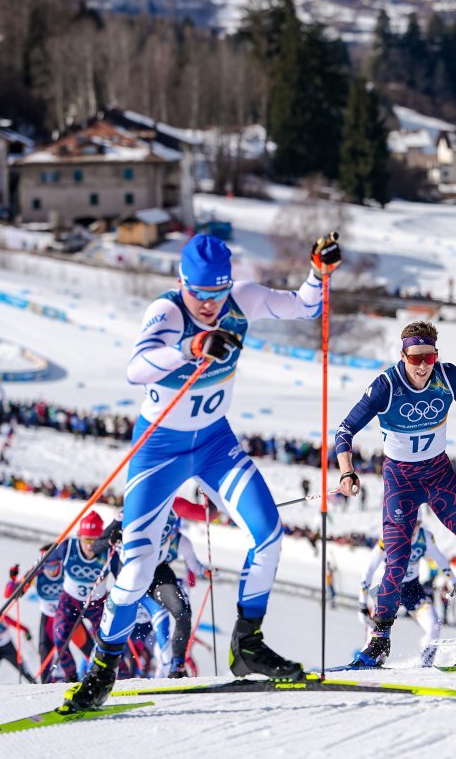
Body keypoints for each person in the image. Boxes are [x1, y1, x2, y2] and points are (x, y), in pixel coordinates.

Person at [62, 232, 340, 713]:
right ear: (182, 283)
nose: (210, 306)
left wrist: (318, 273)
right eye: (200, 295)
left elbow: (305, 307)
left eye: (217, 295)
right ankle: (103, 668)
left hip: (213, 443)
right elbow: (137, 367)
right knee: (138, 566)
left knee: (269, 533)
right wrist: (191, 346)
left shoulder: (241, 299)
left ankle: (247, 645)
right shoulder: (167, 311)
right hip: (160, 451)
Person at [333, 320, 456, 666]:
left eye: (430, 356)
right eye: (416, 358)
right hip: (401, 481)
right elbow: (345, 430)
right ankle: (380, 638)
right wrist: (346, 471)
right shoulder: (386, 385)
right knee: (397, 559)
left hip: (440, 475)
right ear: (403, 355)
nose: (423, 365)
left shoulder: (447, 375)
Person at [103, 496, 213, 678]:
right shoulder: (137, 505)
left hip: (158, 577)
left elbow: (209, 514)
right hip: (133, 574)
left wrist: (211, 495)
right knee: (119, 630)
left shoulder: (176, 510)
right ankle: (102, 673)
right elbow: (101, 542)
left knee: (182, 614)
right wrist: (113, 534)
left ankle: (176, 669)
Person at [356, 505, 456, 667]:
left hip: (412, 589)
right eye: (409, 524)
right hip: (389, 589)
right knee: (375, 634)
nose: (412, 530)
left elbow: (440, 560)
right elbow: (368, 570)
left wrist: (454, 582)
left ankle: (426, 663)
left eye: (416, 525)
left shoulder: (425, 537)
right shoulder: (389, 537)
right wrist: (362, 603)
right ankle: (366, 660)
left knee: (434, 626)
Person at [47, 510, 112, 682]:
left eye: (95, 540)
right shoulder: (68, 547)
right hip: (70, 602)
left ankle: (116, 679)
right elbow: (47, 561)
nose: (90, 546)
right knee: (60, 635)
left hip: (97, 604)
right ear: (79, 537)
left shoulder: (109, 551)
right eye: (86, 540)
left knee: (107, 643)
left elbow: (124, 574)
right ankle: (70, 679)